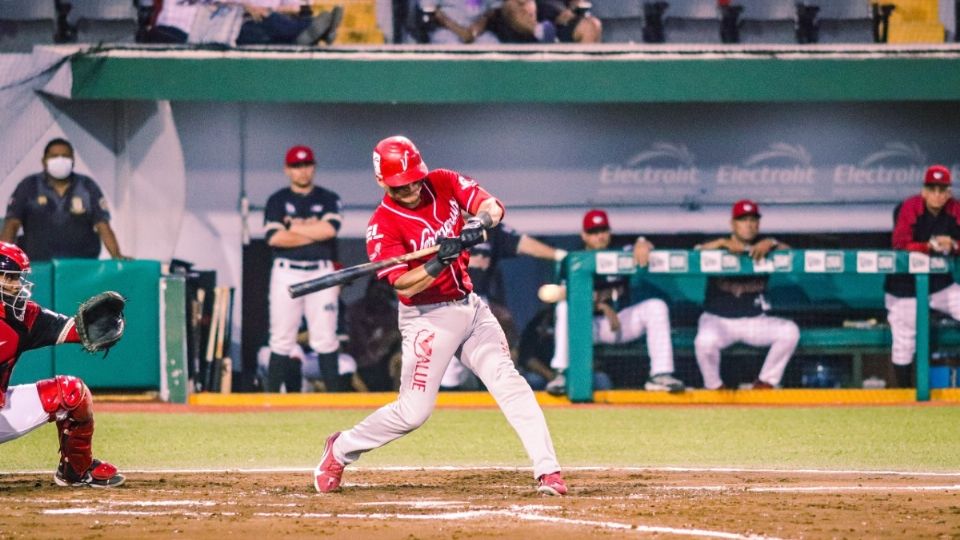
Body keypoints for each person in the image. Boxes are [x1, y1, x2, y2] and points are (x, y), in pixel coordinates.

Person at [313, 135, 566, 496]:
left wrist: (478, 223)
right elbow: (404, 286)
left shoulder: (443, 181)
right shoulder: (383, 225)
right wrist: (438, 261)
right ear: (381, 182)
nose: (412, 189)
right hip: (426, 317)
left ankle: (548, 471)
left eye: (415, 179)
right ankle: (339, 449)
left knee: (509, 382)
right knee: (413, 413)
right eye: (402, 186)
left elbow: (492, 205)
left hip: (470, 307)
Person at [0, 242, 125, 488]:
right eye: (11, 277)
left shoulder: (22, 316)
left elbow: (73, 329)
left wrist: (97, 326)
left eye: (18, 278)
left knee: (72, 393)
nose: (18, 285)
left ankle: (76, 471)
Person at [547, 209, 684, 395]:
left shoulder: (621, 253)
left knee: (656, 306)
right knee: (564, 308)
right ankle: (562, 373)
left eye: (603, 230)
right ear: (584, 235)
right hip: (588, 327)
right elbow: (563, 295)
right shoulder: (573, 260)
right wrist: (601, 306)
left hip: (620, 324)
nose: (600, 236)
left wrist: (643, 242)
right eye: (594, 232)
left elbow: (644, 244)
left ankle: (660, 375)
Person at [693, 199, 799, 390]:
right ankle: (715, 388)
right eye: (743, 220)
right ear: (733, 224)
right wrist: (722, 244)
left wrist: (772, 242)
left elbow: (793, 255)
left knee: (790, 331)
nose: (749, 225)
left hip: (754, 322)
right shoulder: (718, 245)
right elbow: (694, 253)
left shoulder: (765, 247)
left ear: (758, 224)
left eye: (753, 220)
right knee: (704, 342)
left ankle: (766, 382)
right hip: (718, 320)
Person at [264, 144, 343, 394]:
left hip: (321, 271)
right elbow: (274, 238)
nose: (302, 171)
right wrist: (314, 232)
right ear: (287, 170)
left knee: (325, 337)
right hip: (286, 271)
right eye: (296, 166)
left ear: (314, 166)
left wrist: (292, 228)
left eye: (306, 164)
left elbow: (329, 230)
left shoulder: (327, 197)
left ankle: (335, 402)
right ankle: (270, 400)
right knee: (281, 338)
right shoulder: (277, 200)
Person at [883, 165, 960, 388]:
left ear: (948, 192)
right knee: (904, 343)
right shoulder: (909, 207)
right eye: (932, 188)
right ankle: (905, 397)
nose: (937, 194)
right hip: (903, 285)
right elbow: (900, 243)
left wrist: (953, 245)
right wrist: (931, 246)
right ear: (924, 191)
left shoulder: (955, 209)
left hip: (939, 284)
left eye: (942, 189)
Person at [1, 138, 128, 262]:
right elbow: (12, 224)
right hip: (37, 267)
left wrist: (116, 255)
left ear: (73, 160)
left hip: (81, 268)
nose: (60, 160)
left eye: (65, 156)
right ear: (44, 161)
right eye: (54, 156)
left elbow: (103, 225)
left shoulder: (87, 186)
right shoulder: (29, 185)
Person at [236, 0, 343, 46]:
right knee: (274, 22)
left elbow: (295, 8)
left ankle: (318, 30)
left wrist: (270, 10)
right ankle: (323, 32)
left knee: (279, 21)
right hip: (240, 24)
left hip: (270, 18)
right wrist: (249, 8)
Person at [418, 0, 501, 44]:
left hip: (478, 32)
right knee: (451, 46)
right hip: (446, 30)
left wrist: (482, 23)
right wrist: (459, 31)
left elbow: (493, 8)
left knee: (492, 45)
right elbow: (430, 10)